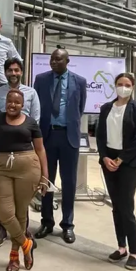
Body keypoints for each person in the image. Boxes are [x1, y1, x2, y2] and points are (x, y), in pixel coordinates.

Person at [0, 89, 48, 271]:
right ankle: (26, 244)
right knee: (4, 212)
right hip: (3, 168)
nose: (12, 105)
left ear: (23, 105)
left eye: (16, 102)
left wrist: (45, 177)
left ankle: (14, 257)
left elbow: (40, 150)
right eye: (9, 101)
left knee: (21, 214)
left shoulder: (31, 123)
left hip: (28, 169)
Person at [33, 49, 87, 244]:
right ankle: (47, 221)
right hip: (47, 136)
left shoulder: (79, 81)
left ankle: (67, 224)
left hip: (68, 137)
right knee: (46, 180)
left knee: (69, 182)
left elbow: (79, 108)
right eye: (51, 59)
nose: (53, 62)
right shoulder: (41, 80)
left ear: (67, 61)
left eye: (58, 59)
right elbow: (37, 107)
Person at [0, 57, 40, 247]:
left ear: (22, 72)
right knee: (3, 195)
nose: (13, 73)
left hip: (25, 150)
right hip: (3, 149)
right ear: (5, 72)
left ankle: (22, 231)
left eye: (17, 70)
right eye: (10, 70)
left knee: (22, 195)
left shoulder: (32, 93)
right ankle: (1, 228)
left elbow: (35, 120)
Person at [96, 73, 136, 270]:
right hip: (108, 161)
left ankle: (134, 252)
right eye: (119, 84)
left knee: (126, 208)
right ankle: (121, 247)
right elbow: (100, 136)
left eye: (127, 85)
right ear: (114, 86)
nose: (123, 87)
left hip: (128, 162)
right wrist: (104, 157)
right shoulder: (106, 108)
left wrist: (120, 159)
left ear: (132, 87)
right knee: (116, 207)